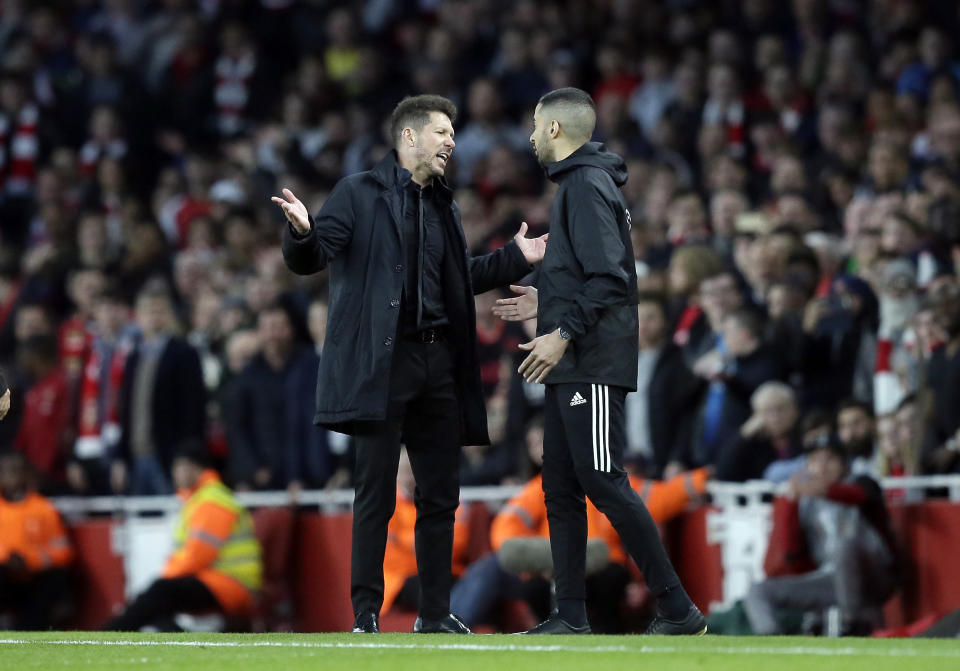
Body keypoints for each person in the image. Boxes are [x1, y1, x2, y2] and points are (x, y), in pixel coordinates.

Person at [273, 94, 544, 634]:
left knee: (441, 492)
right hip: (382, 366)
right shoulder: (356, 193)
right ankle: (366, 615)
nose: (450, 141)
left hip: (437, 364)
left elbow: (455, 280)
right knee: (375, 492)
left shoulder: (444, 203)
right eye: (441, 131)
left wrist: (515, 259)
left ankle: (437, 614)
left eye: (451, 133)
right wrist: (302, 232)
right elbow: (315, 255)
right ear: (409, 137)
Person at [511, 87, 705, 635]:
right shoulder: (576, 185)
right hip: (572, 362)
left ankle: (677, 608)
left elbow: (610, 276)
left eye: (534, 124)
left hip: (590, 361)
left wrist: (561, 332)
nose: (529, 136)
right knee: (560, 488)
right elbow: (588, 274)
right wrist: (544, 302)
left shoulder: (585, 184)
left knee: (604, 481)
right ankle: (568, 615)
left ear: (554, 129)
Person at [743, 441, 899, 636]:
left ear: (844, 464)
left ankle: (852, 625)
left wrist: (824, 490)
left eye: (830, 459)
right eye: (815, 460)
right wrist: (791, 505)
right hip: (830, 579)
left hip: (874, 575)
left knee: (845, 546)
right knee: (757, 591)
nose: (822, 466)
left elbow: (860, 495)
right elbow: (793, 555)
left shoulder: (863, 482)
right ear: (807, 466)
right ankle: (773, 642)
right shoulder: (805, 501)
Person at [103, 443, 262, 631]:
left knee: (160, 593)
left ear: (194, 468)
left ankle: (111, 634)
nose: (175, 473)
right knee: (156, 599)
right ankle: (173, 637)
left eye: (178, 467)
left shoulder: (212, 501)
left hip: (230, 584)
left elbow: (197, 556)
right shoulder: (202, 499)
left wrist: (165, 577)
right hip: (221, 580)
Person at [0, 450, 75, 629]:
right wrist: (6, 559)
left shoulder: (44, 509)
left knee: (56, 579)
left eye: (15, 470)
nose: (10, 476)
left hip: (35, 577)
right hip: (4, 574)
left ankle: (29, 631)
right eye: (5, 471)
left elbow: (63, 552)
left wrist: (30, 561)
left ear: (26, 474)